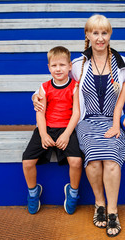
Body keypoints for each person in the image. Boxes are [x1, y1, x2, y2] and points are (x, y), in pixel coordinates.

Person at [33, 15, 125, 237]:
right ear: (88, 35)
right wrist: (36, 95)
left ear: (110, 35)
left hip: (114, 121)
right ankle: (99, 204)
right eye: (95, 33)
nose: (100, 38)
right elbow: (56, 79)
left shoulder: (122, 63)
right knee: (91, 158)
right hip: (87, 121)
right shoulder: (78, 64)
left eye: (104, 33)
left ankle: (112, 211)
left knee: (110, 160)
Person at [22, 46, 82, 215]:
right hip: (47, 128)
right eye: (54, 66)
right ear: (48, 67)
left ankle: (73, 192)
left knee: (76, 161)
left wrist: (66, 134)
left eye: (62, 65)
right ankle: (33, 192)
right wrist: (43, 134)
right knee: (27, 161)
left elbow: (76, 113)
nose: (58, 69)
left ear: (70, 66)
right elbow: (40, 114)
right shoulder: (44, 87)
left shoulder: (75, 87)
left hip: (66, 129)